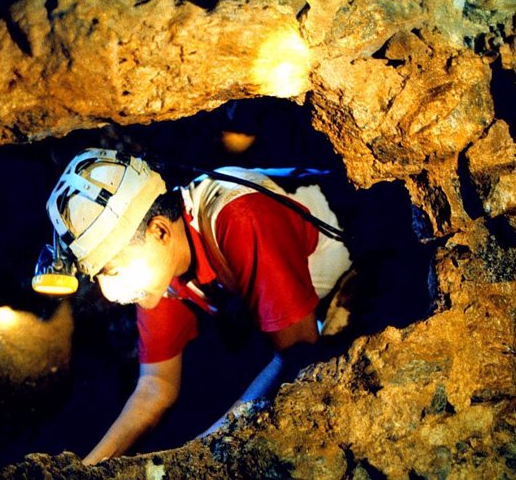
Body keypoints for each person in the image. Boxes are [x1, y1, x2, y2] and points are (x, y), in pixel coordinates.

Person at [44, 148, 352, 465]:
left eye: (115, 271)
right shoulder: (160, 268)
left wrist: (204, 450)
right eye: (100, 276)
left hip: (378, 256)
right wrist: (85, 469)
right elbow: (155, 386)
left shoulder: (237, 216)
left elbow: (299, 355)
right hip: (318, 305)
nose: (110, 293)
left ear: (159, 230)